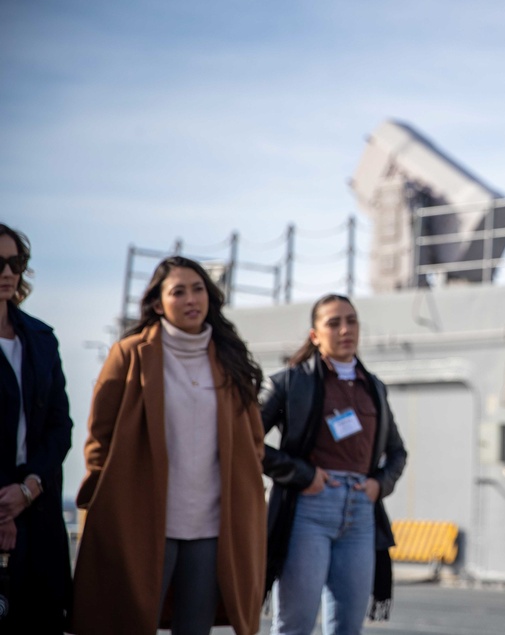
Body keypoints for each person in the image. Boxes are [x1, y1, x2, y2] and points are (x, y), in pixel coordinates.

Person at [70, 256, 267, 635]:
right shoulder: (130, 354)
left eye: (198, 289)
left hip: (211, 526)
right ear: (158, 304)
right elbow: (100, 439)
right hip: (141, 520)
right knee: (129, 623)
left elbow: (253, 440)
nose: (191, 299)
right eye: (178, 291)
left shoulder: (230, 359)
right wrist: (106, 498)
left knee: (194, 629)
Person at [259, 293, 407, 635]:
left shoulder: (374, 388)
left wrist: (379, 485)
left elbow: (397, 452)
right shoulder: (289, 382)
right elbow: (247, 442)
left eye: (351, 321)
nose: (345, 329)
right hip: (307, 509)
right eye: (334, 322)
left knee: (347, 627)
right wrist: (303, 475)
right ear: (315, 335)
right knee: (295, 624)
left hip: (360, 513)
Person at [0, 224, 73, 633]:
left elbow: (60, 426)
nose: (7, 273)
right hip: (6, 506)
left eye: (15, 263)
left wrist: (28, 489)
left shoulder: (41, 339)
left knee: (44, 616)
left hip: (38, 509)